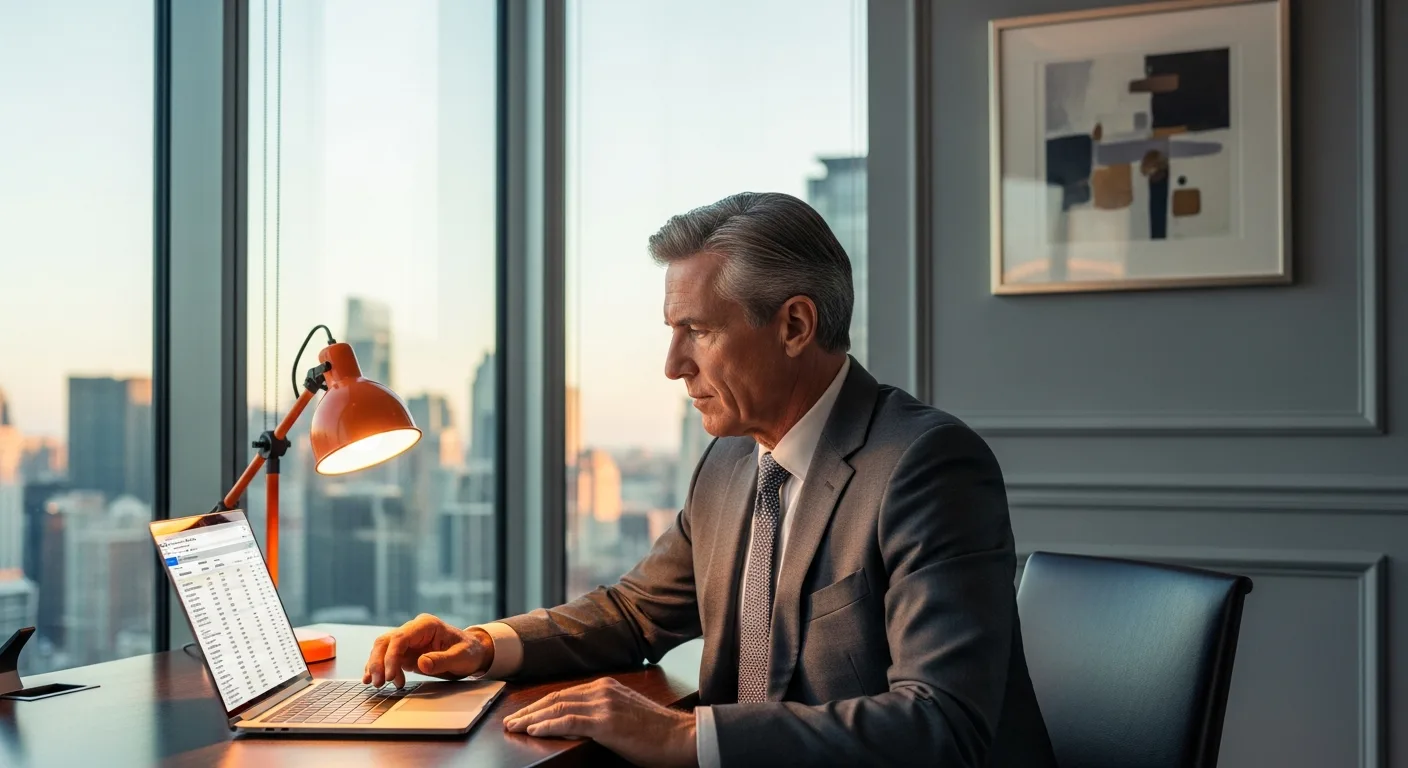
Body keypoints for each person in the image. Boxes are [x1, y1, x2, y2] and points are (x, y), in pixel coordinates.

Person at [363, 192, 1057, 767]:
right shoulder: (731, 462)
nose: (672, 364)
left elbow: (942, 724)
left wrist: (684, 736)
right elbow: (636, 611)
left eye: (696, 330)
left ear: (793, 324)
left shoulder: (927, 466)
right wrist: (485, 644)